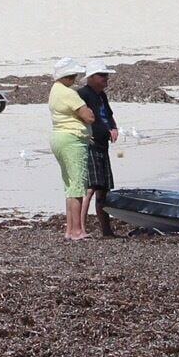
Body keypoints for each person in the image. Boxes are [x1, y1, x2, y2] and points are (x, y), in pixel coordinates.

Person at [47, 61, 97, 239]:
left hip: (59, 137)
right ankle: (76, 230)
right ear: (68, 76)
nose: (75, 79)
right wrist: (88, 112)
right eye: (73, 76)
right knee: (77, 185)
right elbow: (88, 116)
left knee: (69, 185)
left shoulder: (55, 90)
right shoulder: (69, 93)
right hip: (72, 139)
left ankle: (70, 229)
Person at [78, 62, 120, 238]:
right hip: (90, 145)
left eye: (106, 75)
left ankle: (106, 230)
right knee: (90, 187)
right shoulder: (82, 94)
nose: (106, 78)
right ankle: (80, 228)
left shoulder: (101, 95)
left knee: (103, 188)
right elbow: (79, 116)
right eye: (102, 75)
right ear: (92, 77)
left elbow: (108, 115)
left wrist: (113, 128)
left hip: (103, 145)